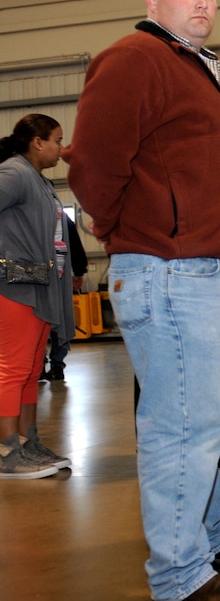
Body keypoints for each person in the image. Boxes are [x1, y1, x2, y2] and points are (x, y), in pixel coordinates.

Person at [66, 0, 220, 601]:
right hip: (172, 269)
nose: (202, 3)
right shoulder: (133, 58)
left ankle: (208, 542)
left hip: (209, 272)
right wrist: (124, 224)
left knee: (212, 420)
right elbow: (95, 160)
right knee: (184, 426)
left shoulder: (193, 66)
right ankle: (180, 578)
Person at [0, 113, 74, 479]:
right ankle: (5, 451)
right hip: (15, 285)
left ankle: (27, 442)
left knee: (30, 371)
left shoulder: (38, 180)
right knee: (13, 369)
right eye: (58, 140)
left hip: (39, 286)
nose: (62, 147)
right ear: (37, 142)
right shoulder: (14, 174)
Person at [41, 213, 86, 382]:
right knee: (59, 320)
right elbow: (74, 243)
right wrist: (79, 271)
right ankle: (57, 366)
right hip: (59, 275)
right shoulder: (62, 216)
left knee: (39, 319)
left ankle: (39, 365)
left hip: (32, 276)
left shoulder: (27, 209)